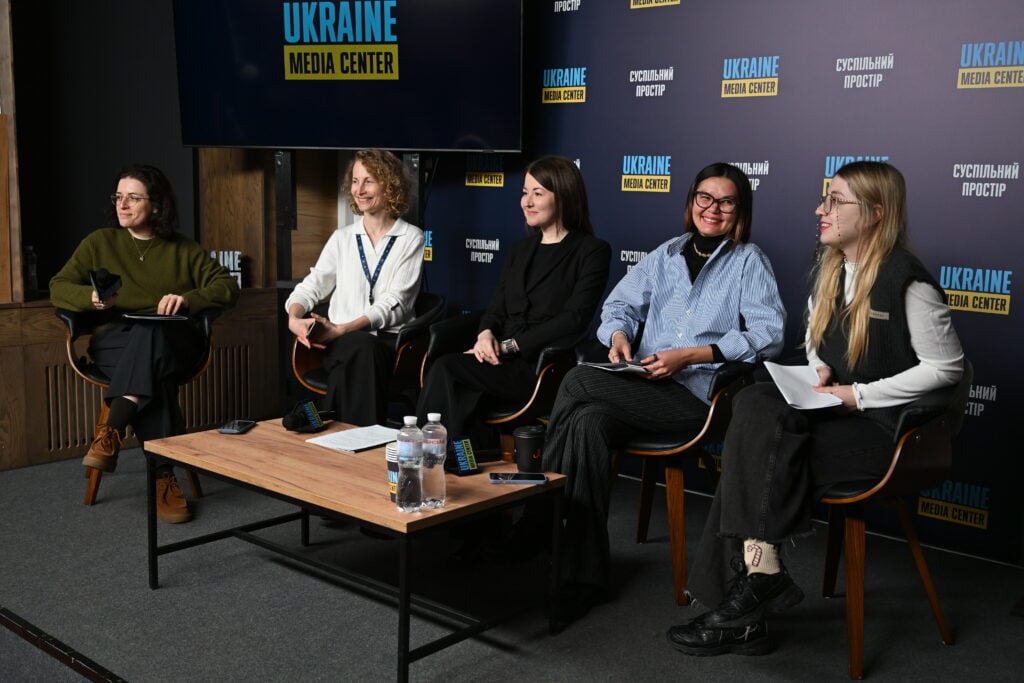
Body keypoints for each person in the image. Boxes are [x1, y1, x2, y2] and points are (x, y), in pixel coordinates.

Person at [667, 161, 965, 656]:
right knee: (755, 398)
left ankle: (747, 603)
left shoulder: (908, 282)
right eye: (825, 199)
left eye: (835, 201)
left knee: (757, 457)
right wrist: (819, 368)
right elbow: (814, 341)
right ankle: (757, 584)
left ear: (875, 212)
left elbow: (947, 369)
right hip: (838, 415)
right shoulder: (831, 267)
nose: (819, 210)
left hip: (889, 433)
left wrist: (857, 395)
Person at [541, 162, 786, 626]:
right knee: (588, 422)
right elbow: (618, 305)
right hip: (643, 387)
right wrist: (618, 336)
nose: (713, 209)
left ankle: (540, 519)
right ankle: (582, 577)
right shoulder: (666, 253)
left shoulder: (748, 260)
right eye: (705, 198)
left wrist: (692, 355)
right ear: (691, 201)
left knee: (575, 381)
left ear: (740, 210)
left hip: (698, 399)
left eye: (726, 201)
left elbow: (769, 335)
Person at [49, 164, 240, 523]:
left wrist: (187, 299)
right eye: (118, 197)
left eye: (133, 198)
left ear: (156, 205)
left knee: (153, 333)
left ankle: (112, 429)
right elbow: (58, 286)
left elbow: (227, 287)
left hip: (174, 341)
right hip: (116, 343)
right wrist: (92, 297)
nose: (122, 205)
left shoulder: (183, 249)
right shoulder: (100, 242)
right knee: (155, 372)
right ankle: (164, 476)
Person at [415, 155, 611, 446]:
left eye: (538, 193)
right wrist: (485, 335)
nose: (527, 202)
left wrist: (509, 346)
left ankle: (429, 457)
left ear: (564, 196)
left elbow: (574, 319)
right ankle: (459, 460)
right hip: (498, 359)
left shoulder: (592, 251)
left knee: (448, 369)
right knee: (450, 375)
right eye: (524, 192)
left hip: (540, 366)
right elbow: (496, 308)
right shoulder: (521, 249)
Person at [284, 149, 425, 426]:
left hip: (387, 344)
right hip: (339, 343)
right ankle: (361, 439)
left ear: (390, 184)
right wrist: (294, 318)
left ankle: (328, 425)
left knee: (362, 349)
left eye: (368, 181)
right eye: (355, 181)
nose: (359, 190)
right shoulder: (343, 238)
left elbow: (396, 303)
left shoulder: (411, 238)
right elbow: (312, 285)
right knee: (359, 348)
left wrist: (343, 328)